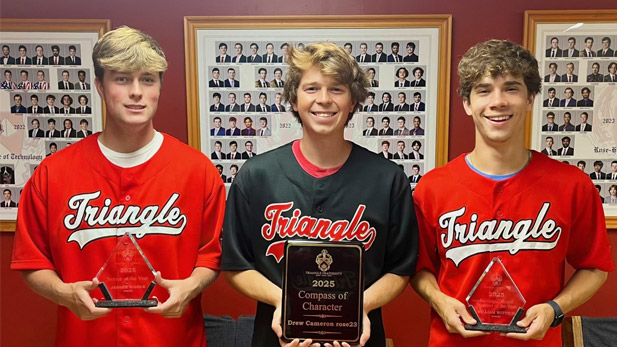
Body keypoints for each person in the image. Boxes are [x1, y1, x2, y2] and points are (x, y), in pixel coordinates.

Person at [11, 26, 226, 347]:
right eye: (122, 79)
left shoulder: (198, 170)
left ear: (159, 87)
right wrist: (63, 292)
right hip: (84, 340)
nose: (136, 92)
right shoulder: (52, 173)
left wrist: (191, 286)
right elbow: (33, 262)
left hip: (173, 339)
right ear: (99, 85)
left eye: (148, 79)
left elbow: (210, 258)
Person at [411, 39, 613, 347]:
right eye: (483, 90)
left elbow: (595, 267)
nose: (498, 101)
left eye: (511, 88)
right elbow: (419, 269)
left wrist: (554, 309)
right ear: (467, 103)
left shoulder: (572, 184)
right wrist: (438, 300)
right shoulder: (433, 187)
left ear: (531, 98)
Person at [222, 42, 417, 347]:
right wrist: (283, 302)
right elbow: (236, 265)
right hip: (277, 338)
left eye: (336, 89)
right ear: (294, 100)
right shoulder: (256, 175)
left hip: (358, 339)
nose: (324, 100)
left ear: (353, 101)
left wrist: (357, 307)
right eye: (311, 88)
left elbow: (401, 268)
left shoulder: (388, 178)